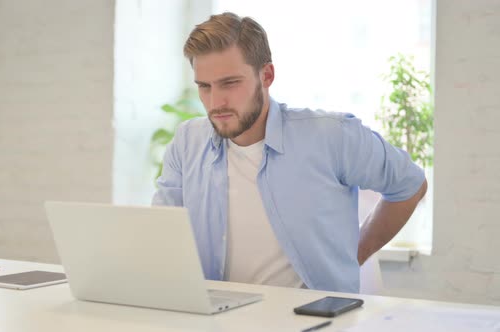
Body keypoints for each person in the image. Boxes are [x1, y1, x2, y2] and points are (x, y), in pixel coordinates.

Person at [152, 12, 427, 293]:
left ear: (267, 75)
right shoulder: (187, 143)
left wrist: (353, 255)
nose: (215, 101)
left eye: (230, 83)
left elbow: (411, 185)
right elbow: (159, 234)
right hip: (218, 318)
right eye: (204, 87)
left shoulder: (331, 135)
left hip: (312, 318)